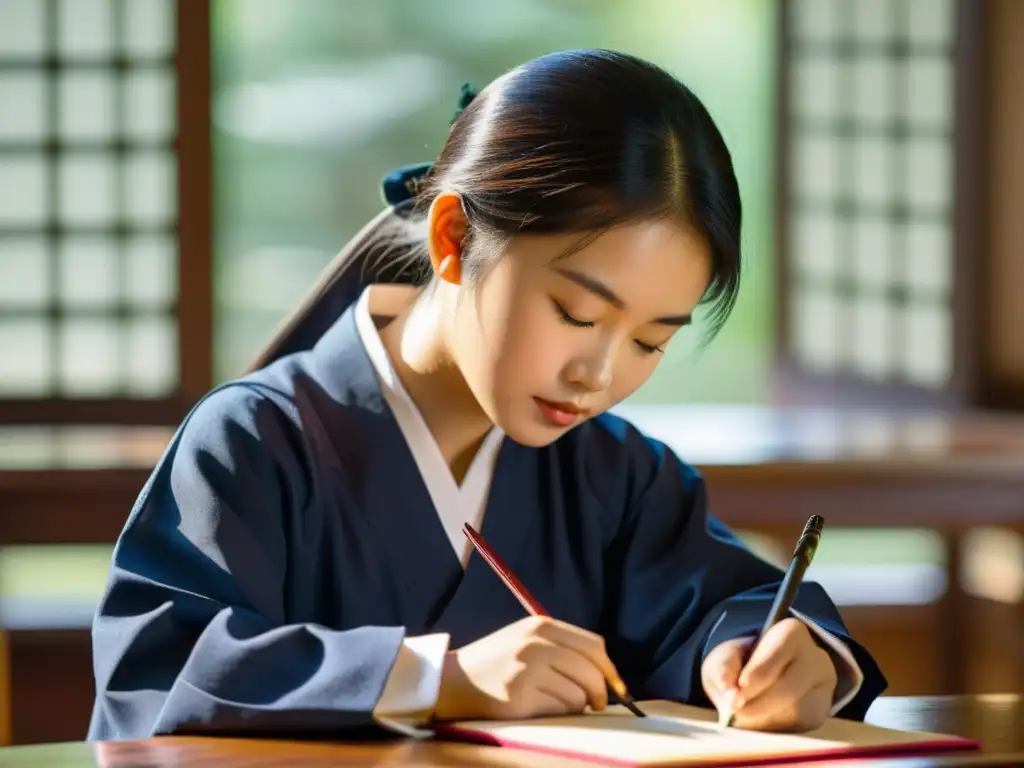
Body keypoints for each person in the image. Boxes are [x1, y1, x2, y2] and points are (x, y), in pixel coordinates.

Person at [88, 49, 886, 742]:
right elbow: (163, 676)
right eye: (577, 314)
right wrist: (436, 678)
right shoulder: (256, 441)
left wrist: (765, 656)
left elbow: (724, 601)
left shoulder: (613, 475)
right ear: (454, 240)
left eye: (651, 341)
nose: (598, 375)